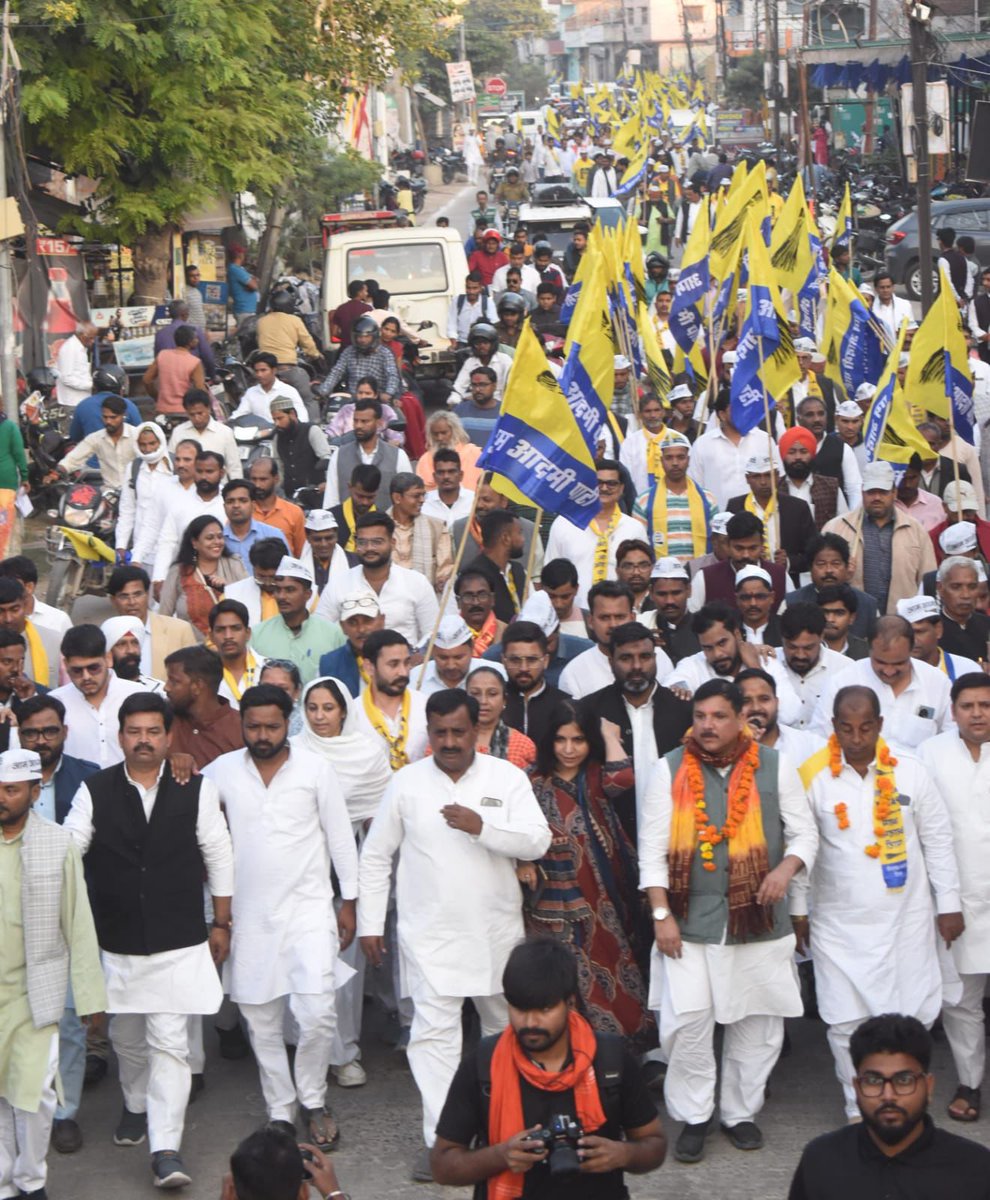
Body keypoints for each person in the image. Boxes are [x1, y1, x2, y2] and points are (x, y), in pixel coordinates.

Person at [358, 688, 551, 1179]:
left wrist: (481, 826)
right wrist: (370, 924)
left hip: (494, 935)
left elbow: (538, 839)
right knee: (433, 1041)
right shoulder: (407, 783)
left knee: (502, 1037)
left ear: (475, 730)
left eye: (458, 732)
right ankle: (442, 1146)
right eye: (439, 732)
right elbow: (377, 856)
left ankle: (505, 1139)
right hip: (428, 937)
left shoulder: (505, 778)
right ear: (430, 731)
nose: (448, 741)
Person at [640, 677, 818, 1163]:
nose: (708, 726)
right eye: (700, 717)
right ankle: (695, 1117)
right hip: (687, 921)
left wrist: (785, 870)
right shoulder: (668, 769)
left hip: (758, 919)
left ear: (743, 718)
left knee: (756, 1024)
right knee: (688, 1024)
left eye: (719, 716)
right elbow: (652, 851)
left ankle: (740, 1113)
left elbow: (804, 835)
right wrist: (661, 915)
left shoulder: (776, 768)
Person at [64, 692, 233, 1190]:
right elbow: (71, 847)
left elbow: (219, 853)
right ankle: (135, 1104)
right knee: (126, 1040)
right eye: (134, 732)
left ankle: (166, 1148)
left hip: (178, 938)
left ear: (168, 736)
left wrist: (221, 921)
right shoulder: (94, 791)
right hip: (115, 940)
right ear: (121, 737)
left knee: (170, 1044)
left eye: (153, 731)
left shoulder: (196, 788)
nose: (143, 740)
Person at [797, 685, 963, 1120]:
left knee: (911, 1019)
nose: (856, 738)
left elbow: (938, 841)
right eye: (847, 728)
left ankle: (908, 1106)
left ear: (880, 725)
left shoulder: (910, 770)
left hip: (905, 919)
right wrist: (799, 913)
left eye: (866, 727)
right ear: (833, 726)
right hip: (838, 923)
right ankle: (859, 1110)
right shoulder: (812, 776)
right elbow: (800, 849)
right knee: (843, 1022)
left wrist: (948, 904)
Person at [203, 684, 357, 1149]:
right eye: (253, 726)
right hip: (247, 917)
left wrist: (348, 900)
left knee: (317, 1014)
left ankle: (313, 1099)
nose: (263, 734)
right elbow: (182, 789)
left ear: (288, 723)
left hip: (309, 910)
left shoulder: (315, 769)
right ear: (242, 725)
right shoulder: (223, 772)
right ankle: (280, 1110)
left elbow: (339, 837)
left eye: (272, 725)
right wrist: (183, 763)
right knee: (261, 1019)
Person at [432, 937, 667, 1193]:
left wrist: (623, 1154)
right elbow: (442, 1165)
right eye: (519, 1008)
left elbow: (654, 1145)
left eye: (544, 1009)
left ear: (570, 1003)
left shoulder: (610, 1060)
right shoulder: (483, 1064)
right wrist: (500, 1156)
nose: (530, 1022)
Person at [0, 746, 106, 1198]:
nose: (1, 797)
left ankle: (31, 1179)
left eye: (9, 790)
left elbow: (78, 923)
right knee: (2, 1096)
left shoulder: (57, 842)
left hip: (35, 992)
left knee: (36, 1093)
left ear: (33, 790)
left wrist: (90, 998)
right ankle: (5, 1183)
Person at [524, 704, 652, 1043]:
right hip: (549, 894)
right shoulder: (533, 781)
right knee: (556, 970)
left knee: (608, 958)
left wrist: (609, 734)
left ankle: (616, 1046)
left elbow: (623, 778)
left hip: (600, 891)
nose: (569, 749)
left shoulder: (595, 775)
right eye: (561, 740)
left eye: (578, 740)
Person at [293, 675, 391, 1085]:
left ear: (343, 711)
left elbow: (383, 813)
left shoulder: (368, 753)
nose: (319, 717)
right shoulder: (294, 751)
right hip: (300, 870)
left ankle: (345, 1052)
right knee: (303, 969)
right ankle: (308, 1051)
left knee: (345, 973)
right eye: (312, 708)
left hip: (351, 870)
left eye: (328, 708)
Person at [788, 1013, 990, 1199]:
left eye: (903, 1080)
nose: (888, 1095)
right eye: (874, 1081)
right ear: (857, 1087)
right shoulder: (822, 1160)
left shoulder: (974, 1167)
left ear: (928, 1086)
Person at [810, 615, 953, 748]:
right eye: (880, 662)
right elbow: (819, 738)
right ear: (869, 650)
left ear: (911, 651)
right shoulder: (842, 681)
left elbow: (951, 738)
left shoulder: (938, 683)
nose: (889, 671)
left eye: (898, 663)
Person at [822, 460, 936, 615]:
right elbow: (821, 579)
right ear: (862, 491)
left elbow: (928, 581)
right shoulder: (836, 528)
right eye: (871, 491)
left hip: (902, 623)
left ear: (894, 492)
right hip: (853, 622)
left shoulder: (916, 531)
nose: (877, 497)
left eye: (883, 492)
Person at [318, 512, 439, 645]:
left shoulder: (417, 582)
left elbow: (432, 633)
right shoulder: (338, 584)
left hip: (405, 663)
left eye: (377, 542)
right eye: (362, 542)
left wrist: (416, 656)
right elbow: (321, 632)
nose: (369, 548)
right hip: (353, 662)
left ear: (392, 543)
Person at [546, 462, 643, 609]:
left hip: (619, 616)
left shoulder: (634, 528)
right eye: (598, 483)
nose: (604, 488)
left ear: (622, 488)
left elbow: (643, 577)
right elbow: (550, 574)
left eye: (611, 483)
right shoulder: (564, 523)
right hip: (574, 616)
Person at [49, 624, 145, 767]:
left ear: (108, 659)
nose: (86, 677)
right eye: (77, 671)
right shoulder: (54, 703)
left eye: (93, 668)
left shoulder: (139, 695)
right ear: (66, 665)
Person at [560, 582, 672, 702]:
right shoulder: (574, 673)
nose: (613, 625)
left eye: (620, 617)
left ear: (633, 618)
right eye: (604, 618)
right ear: (591, 621)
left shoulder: (659, 658)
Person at [249, 556, 343, 685]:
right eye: (278, 590)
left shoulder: (333, 635)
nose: (282, 596)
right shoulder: (257, 635)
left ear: (308, 594)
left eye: (290, 590)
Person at [158, 514, 247, 638]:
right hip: (190, 649)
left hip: (230, 647)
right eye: (210, 538)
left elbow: (249, 604)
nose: (217, 542)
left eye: (220, 537)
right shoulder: (179, 571)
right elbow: (164, 616)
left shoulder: (235, 564)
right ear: (195, 543)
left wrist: (228, 589)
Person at [349, 628, 429, 767]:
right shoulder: (351, 715)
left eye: (406, 663)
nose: (403, 672)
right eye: (394, 664)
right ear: (369, 667)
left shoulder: (425, 706)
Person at [634, 434, 717, 563]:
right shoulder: (643, 501)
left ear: (688, 460)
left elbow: (716, 541)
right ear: (661, 461)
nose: (675, 463)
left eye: (680, 457)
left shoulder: (707, 499)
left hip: (700, 572)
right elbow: (639, 545)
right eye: (669, 458)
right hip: (660, 575)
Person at [106, 565, 198, 680]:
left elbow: (195, 677)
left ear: (147, 594)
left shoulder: (180, 631)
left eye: (137, 594)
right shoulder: (106, 637)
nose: (132, 602)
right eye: (124, 597)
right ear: (113, 600)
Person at [152, 450, 228, 588]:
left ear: (221, 473)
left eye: (209, 472)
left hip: (224, 577)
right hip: (185, 578)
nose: (203, 477)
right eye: (199, 471)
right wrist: (159, 578)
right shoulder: (180, 502)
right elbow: (167, 542)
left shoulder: (229, 503)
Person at [784, 532, 880, 641]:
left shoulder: (868, 605)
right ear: (810, 568)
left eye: (836, 563)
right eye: (821, 564)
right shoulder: (790, 602)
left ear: (847, 566)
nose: (829, 570)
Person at [324, 396, 412, 511]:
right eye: (356, 421)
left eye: (365, 421)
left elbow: (407, 498)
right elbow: (331, 500)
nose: (359, 426)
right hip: (347, 526)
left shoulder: (398, 456)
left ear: (379, 423)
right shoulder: (339, 455)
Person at [689, 511, 789, 611]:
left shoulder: (780, 575)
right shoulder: (705, 578)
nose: (746, 555)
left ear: (762, 544)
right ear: (728, 545)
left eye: (752, 548)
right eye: (739, 548)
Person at [164, 644, 245, 768]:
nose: (166, 687)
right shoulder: (163, 720)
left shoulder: (241, 729)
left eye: (174, 681)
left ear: (197, 686)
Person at [114, 422, 179, 572]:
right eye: (142, 444)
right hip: (142, 546)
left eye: (152, 443)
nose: (148, 449)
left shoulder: (175, 467)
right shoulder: (135, 468)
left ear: (161, 441)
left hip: (171, 547)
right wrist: (121, 545)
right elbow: (127, 508)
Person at [778, 602, 849, 728]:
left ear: (822, 636)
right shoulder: (768, 663)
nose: (800, 655)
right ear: (782, 639)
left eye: (808, 648)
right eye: (792, 647)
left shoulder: (845, 669)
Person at [501, 621, 569, 750]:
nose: (523, 668)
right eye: (515, 660)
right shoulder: (492, 703)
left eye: (532, 660)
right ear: (503, 660)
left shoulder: (564, 704)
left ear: (546, 661)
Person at [738, 667, 825, 764]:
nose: (756, 708)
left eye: (764, 699)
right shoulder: (724, 750)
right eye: (746, 701)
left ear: (777, 702)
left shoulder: (810, 746)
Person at [56, 394, 138, 488]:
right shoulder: (96, 438)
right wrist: (58, 471)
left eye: (113, 417)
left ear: (124, 416)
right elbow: (73, 459)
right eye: (105, 417)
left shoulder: (136, 435)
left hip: (134, 491)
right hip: (109, 493)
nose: (108, 422)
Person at [387, 473, 453, 591]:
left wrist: (444, 579)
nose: (422, 500)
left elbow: (445, 569)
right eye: (416, 495)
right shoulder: (379, 528)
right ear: (397, 498)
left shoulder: (436, 527)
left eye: (423, 495)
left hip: (423, 600)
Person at [464, 664, 535, 768]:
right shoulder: (449, 737)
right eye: (475, 693)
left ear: (504, 700)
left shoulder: (522, 745)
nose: (483, 701)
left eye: (492, 694)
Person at [897, 593, 981, 680]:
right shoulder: (891, 674)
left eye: (919, 632)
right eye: (906, 633)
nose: (913, 640)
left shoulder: (967, 670)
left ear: (938, 629)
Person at [0, 576, 63, 690]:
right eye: (1, 611)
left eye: (14, 610)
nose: (8, 619)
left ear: (25, 605)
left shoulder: (54, 640)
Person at [316, 593, 384, 696]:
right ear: (343, 626)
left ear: (381, 621)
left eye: (367, 621)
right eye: (352, 622)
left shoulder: (399, 659)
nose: (361, 629)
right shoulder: (329, 664)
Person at [166, 388, 241, 480]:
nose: (197, 418)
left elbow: (234, 467)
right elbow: (171, 463)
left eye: (200, 413)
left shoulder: (225, 432)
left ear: (209, 408)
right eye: (192, 414)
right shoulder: (178, 432)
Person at [325, 317, 402, 404]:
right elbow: (336, 372)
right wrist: (323, 390)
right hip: (352, 400)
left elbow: (392, 375)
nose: (363, 340)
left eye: (367, 337)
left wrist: (388, 393)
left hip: (378, 401)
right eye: (359, 337)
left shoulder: (385, 353)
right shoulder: (349, 352)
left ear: (374, 336)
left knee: (397, 416)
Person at [269, 395, 332, 495]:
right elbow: (279, 466)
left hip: (315, 493)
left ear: (292, 414)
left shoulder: (312, 431)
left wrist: (327, 484)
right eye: (274, 419)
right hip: (289, 495)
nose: (277, 423)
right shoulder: (277, 438)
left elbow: (326, 459)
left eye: (280, 418)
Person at [211, 599, 267, 707]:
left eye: (235, 628)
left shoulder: (269, 668)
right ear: (211, 637)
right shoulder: (202, 676)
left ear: (248, 633)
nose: (228, 636)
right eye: (220, 630)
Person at [222, 478, 288, 569]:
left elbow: (287, 571)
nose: (236, 505)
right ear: (224, 507)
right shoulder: (218, 540)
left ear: (253, 505)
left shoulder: (274, 535)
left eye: (243, 500)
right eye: (230, 501)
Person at [936, 554, 990, 663]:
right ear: (941, 589)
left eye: (972, 587)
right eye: (956, 587)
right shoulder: (932, 632)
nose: (965, 595)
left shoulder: (987, 624)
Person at [247, 458, 306, 556]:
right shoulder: (242, 512)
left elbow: (302, 553)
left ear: (276, 479)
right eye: (254, 479)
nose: (257, 485)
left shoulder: (294, 512)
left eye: (263, 479)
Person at [143, 325, 206, 416]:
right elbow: (200, 389)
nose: (197, 340)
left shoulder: (162, 355)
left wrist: (157, 397)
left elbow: (146, 379)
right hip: (184, 412)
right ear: (190, 342)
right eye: (195, 338)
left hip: (162, 410)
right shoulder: (195, 362)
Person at [231, 353, 308, 423]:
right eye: (256, 371)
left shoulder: (289, 391)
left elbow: (302, 417)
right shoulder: (251, 392)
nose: (259, 375)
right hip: (260, 435)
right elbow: (240, 414)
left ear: (274, 370)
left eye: (263, 370)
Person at [416, 411, 483, 491]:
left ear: (455, 431)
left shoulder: (473, 452)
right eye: (435, 434)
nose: (439, 438)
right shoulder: (425, 460)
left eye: (444, 433)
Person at [101, 615, 164, 692]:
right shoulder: (99, 693)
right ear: (108, 653)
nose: (130, 650)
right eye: (122, 644)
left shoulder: (159, 689)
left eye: (134, 643)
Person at [299, 508, 349, 597]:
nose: (324, 544)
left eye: (328, 538)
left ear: (336, 535)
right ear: (308, 537)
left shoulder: (353, 563)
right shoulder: (297, 567)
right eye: (317, 539)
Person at [421, 448, 475, 529]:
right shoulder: (423, 503)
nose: (446, 477)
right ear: (434, 476)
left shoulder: (474, 501)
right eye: (441, 472)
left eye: (451, 471)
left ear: (461, 475)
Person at [817, 582, 870, 659]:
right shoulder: (805, 648)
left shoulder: (866, 652)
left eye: (839, 613)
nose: (830, 619)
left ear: (852, 618)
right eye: (825, 612)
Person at [446, 272, 498, 347]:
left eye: (474, 288)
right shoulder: (457, 301)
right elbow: (451, 324)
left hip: (481, 343)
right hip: (462, 342)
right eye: (468, 288)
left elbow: (494, 324)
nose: (471, 291)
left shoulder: (488, 302)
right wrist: (454, 343)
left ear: (481, 288)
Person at [54, 322, 96, 408]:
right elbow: (66, 378)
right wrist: (91, 385)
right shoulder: (70, 348)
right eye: (91, 338)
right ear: (82, 336)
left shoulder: (80, 348)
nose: (93, 341)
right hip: (72, 402)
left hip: (81, 399)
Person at [228, 245, 259, 325]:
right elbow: (254, 285)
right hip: (244, 310)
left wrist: (252, 282)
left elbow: (256, 280)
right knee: (245, 336)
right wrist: (252, 283)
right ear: (240, 255)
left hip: (247, 310)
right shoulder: (235, 269)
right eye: (243, 254)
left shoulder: (240, 269)